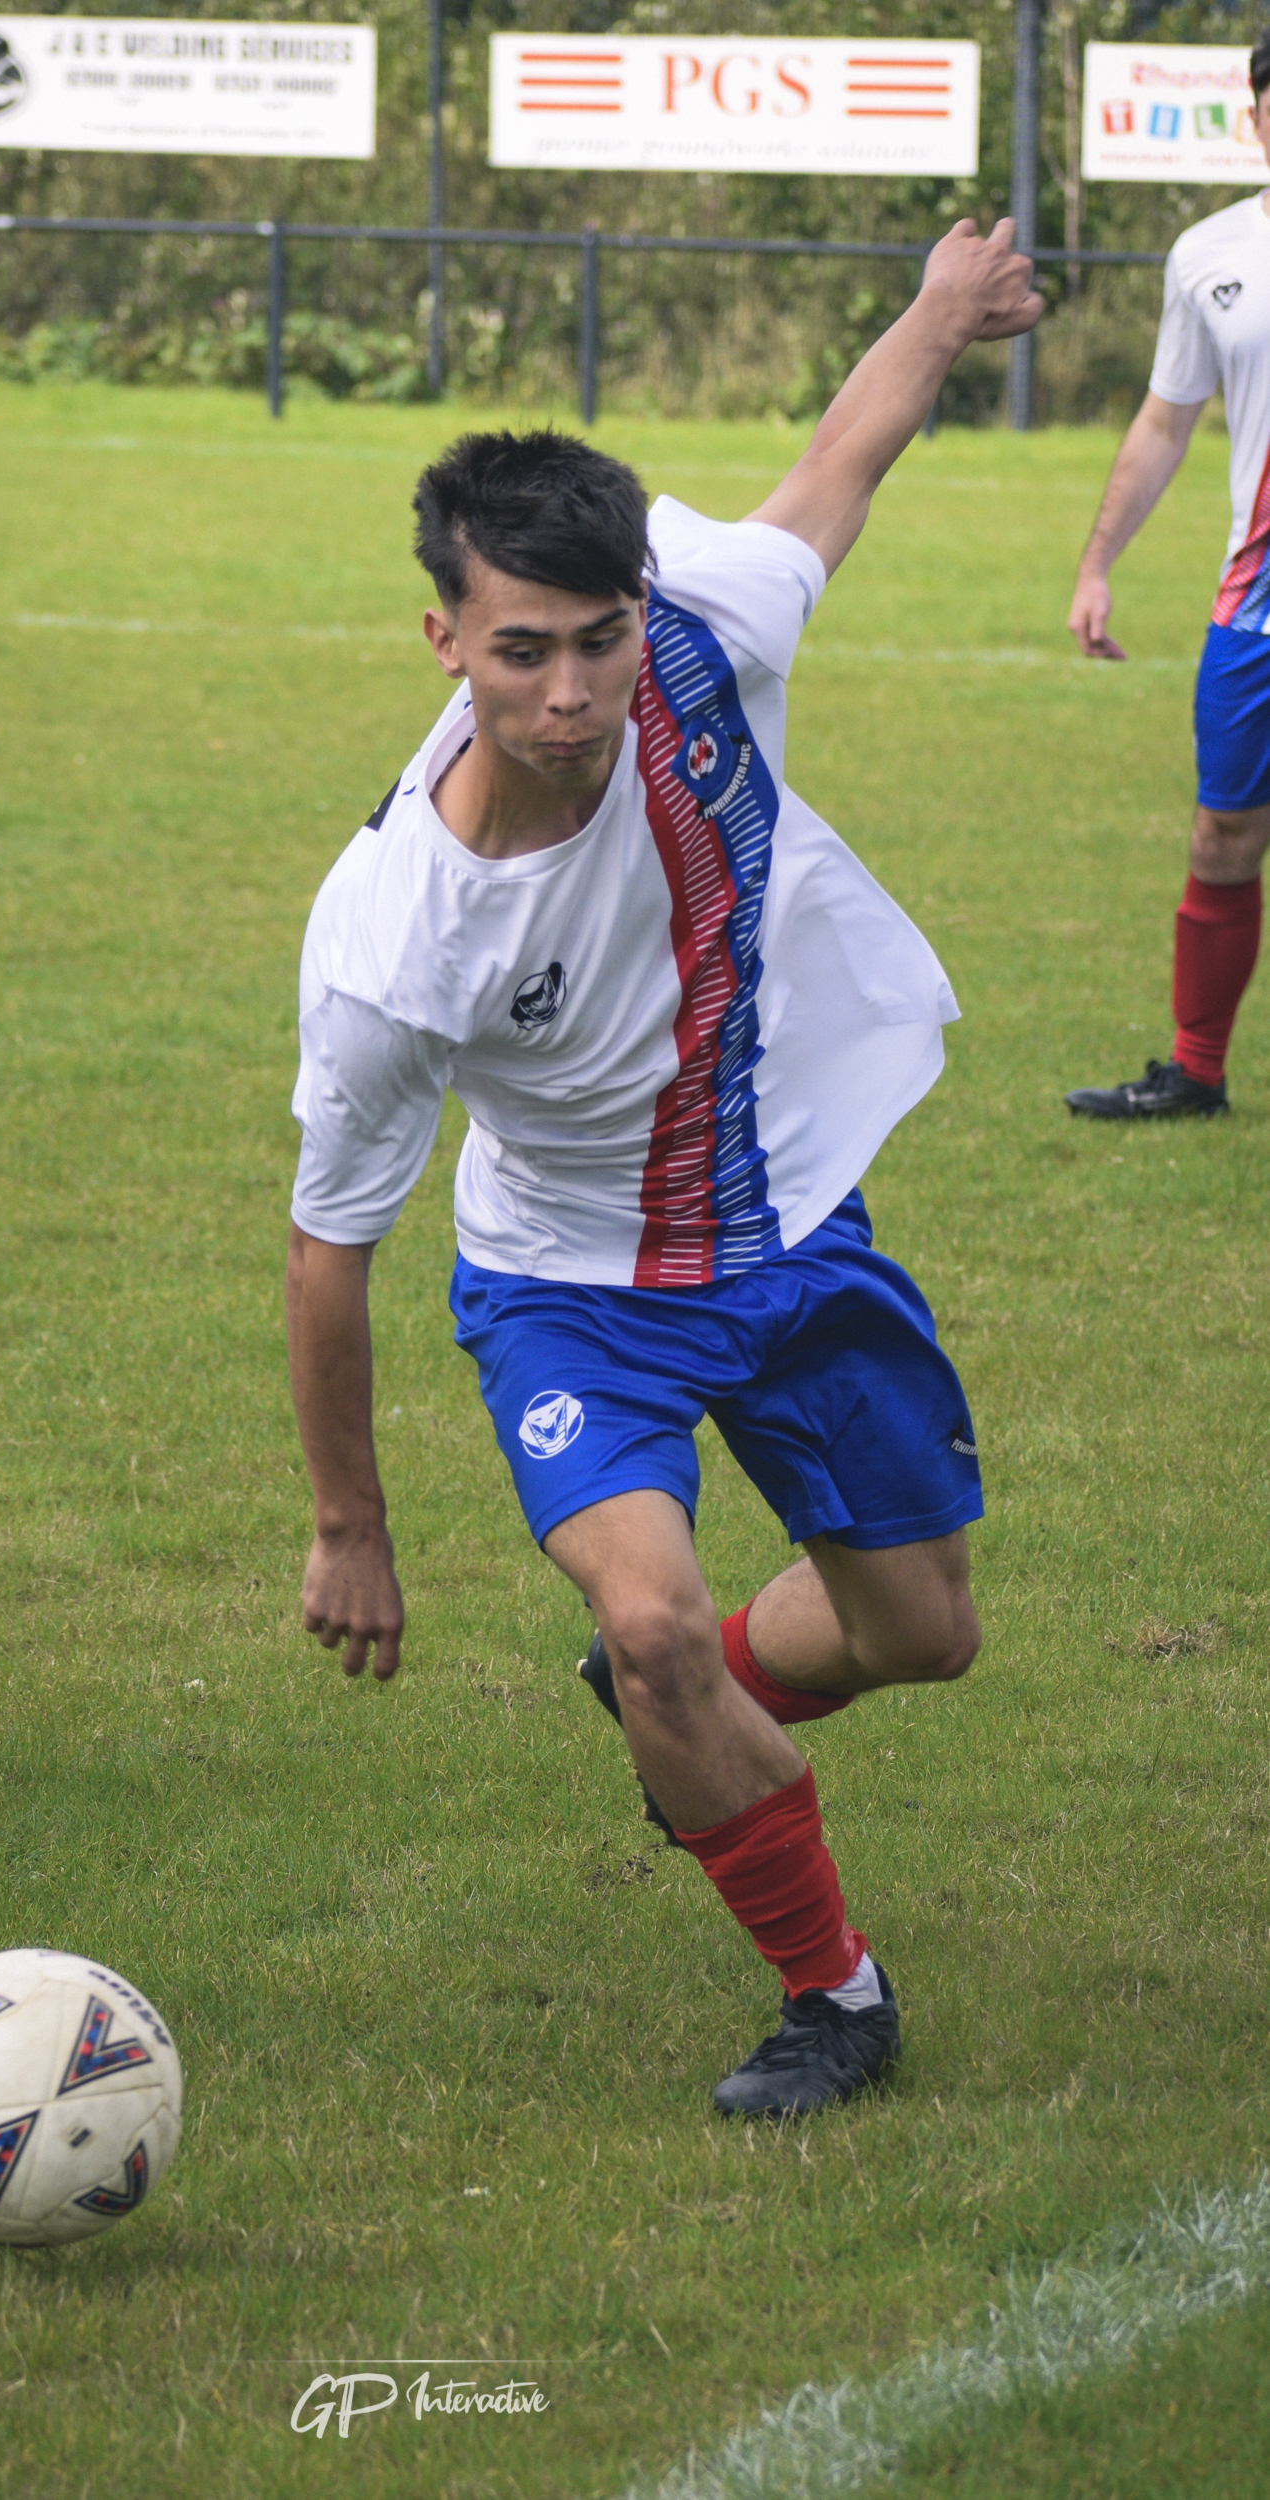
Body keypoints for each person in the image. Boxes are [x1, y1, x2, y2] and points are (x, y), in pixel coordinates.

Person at [284, 221, 1040, 2120]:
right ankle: (834, 1999)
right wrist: (350, 1527)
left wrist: (939, 310)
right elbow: (328, 1250)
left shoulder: (700, 624)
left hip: (790, 1223)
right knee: (647, 1619)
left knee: (918, 1638)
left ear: (641, 606)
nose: (568, 693)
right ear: (442, 637)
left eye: (597, 640)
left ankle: (683, 1709)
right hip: (570, 1293)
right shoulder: (394, 938)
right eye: (518, 651)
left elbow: (831, 473)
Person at [1065, 35, 1270, 1120]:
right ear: (1254, 118)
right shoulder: (1207, 255)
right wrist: (1096, 562)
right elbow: (1161, 421)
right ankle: (1194, 1072)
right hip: (1256, 608)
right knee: (1220, 833)